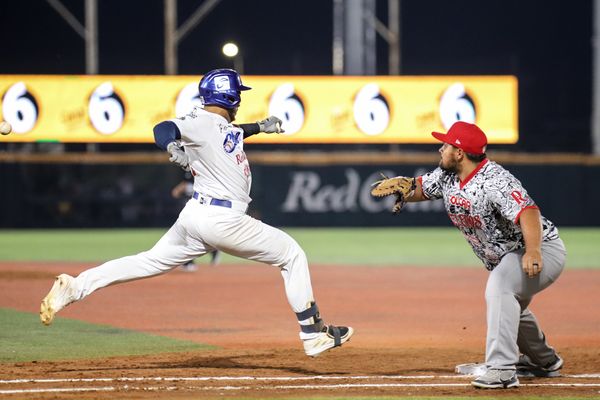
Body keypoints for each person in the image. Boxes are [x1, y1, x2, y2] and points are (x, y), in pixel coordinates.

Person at [40, 68, 353, 357]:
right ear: (229, 96)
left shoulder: (217, 125)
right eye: (238, 94)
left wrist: (259, 126)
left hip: (196, 216)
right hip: (222, 219)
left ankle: (76, 287)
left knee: (149, 261)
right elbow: (163, 128)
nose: (241, 100)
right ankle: (313, 334)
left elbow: (228, 136)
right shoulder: (199, 121)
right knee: (291, 253)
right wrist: (171, 147)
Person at [372, 121, 566, 389]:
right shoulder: (447, 176)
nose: (440, 149)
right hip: (509, 256)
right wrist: (404, 190)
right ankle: (544, 360)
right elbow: (419, 188)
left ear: (460, 153)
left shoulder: (494, 180)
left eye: (446, 145)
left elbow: (528, 212)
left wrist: (533, 251)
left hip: (541, 248)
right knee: (510, 306)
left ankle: (502, 369)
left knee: (500, 288)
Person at [170, 175, 220, 269]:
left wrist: (178, 189)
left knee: (198, 232)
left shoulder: (201, 168)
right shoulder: (190, 168)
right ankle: (189, 261)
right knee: (187, 231)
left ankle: (212, 251)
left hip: (200, 204)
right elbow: (185, 182)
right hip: (191, 203)